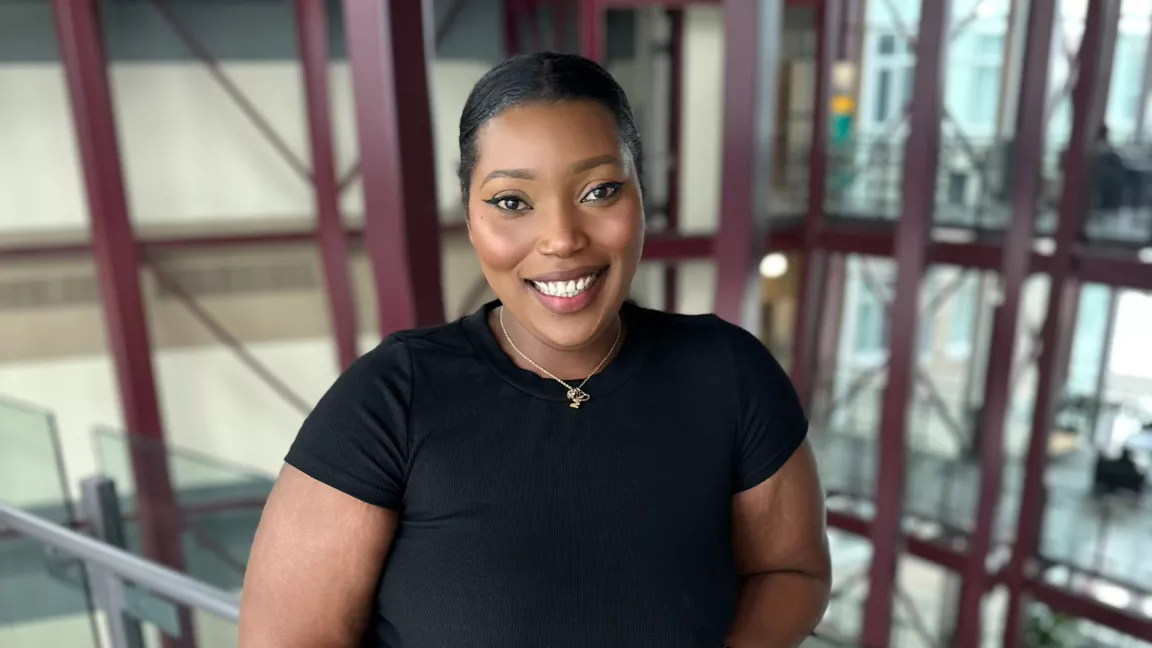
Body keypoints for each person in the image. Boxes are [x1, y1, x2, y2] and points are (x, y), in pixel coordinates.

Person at [239, 52, 830, 648]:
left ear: (641, 197)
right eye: (512, 202)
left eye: (599, 191)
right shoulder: (389, 399)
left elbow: (790, 572)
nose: (562, 239)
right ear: (471, 218)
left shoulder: (728, 373)